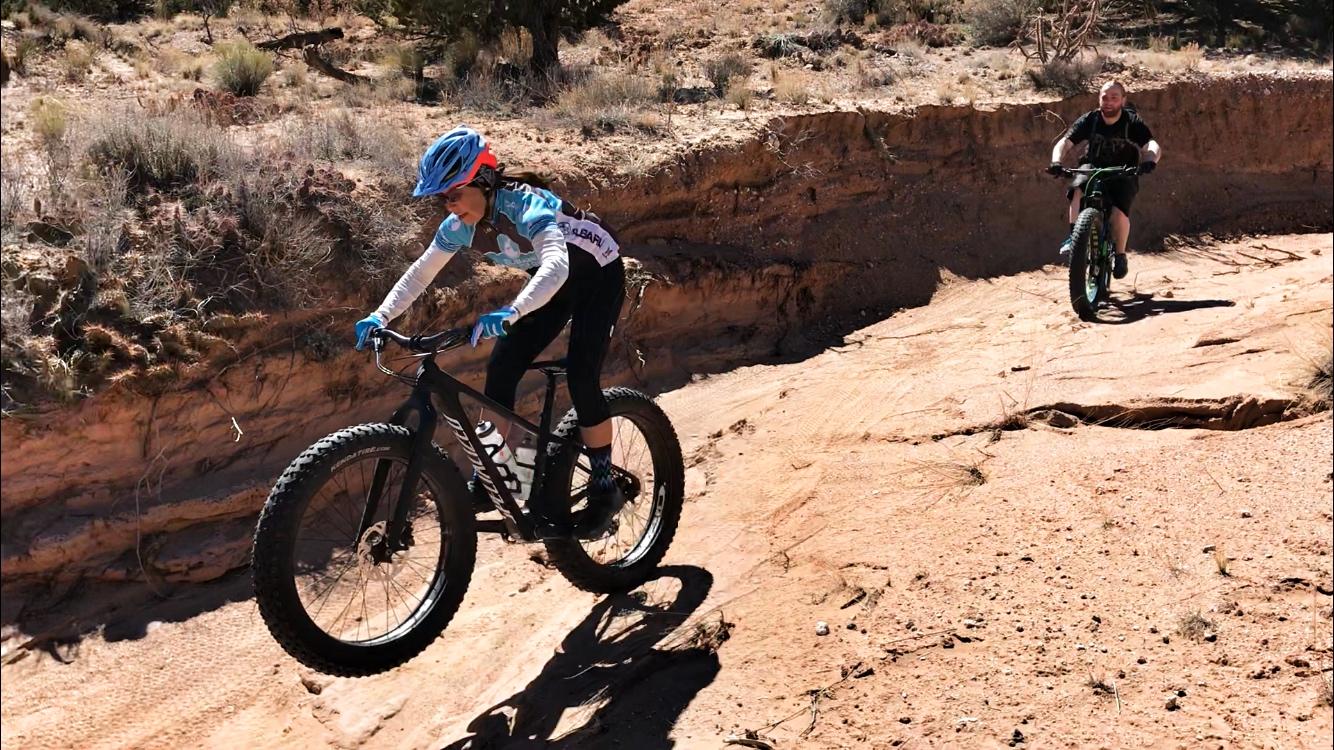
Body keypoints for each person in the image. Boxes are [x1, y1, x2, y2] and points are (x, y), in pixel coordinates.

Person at [354, 126, 626, 538]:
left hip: (597, 276)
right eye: (441, 199)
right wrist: (380, 316)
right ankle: (510, 478)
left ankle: (605, 487)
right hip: (552, 284)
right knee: (501, 368)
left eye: (453, 194)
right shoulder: (463, 224)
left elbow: (557, 266)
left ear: (482, 180)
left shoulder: (528, 206)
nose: (448, 206)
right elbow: (421, 274)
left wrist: (513, 310)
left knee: (582, 375)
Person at [1048, 80, 1162, 279]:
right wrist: (1056, 161)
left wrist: (1151, 160)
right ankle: (1075, 237)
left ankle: (1120, 254)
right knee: (1078, 188)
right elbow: (1065, 143)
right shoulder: (1090, 119)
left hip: (1123, 171)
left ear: (1123, 100)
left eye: (1114, 98)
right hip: (1092, 166)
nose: (1109, 102)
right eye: (1105, 97)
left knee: (1118, 212)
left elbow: (1150, 144)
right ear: (1099, 99)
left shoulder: (1131, 121)